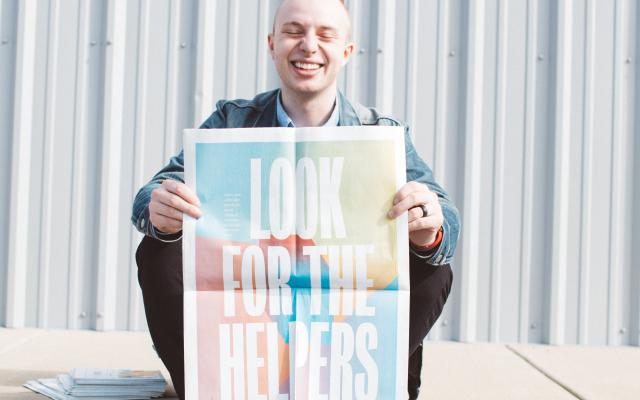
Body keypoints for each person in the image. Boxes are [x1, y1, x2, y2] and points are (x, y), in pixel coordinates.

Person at [132, 0, 460, 398]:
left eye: (325, 35)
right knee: (158, 250)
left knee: (433, 266)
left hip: (345, 321)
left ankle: (364, 386)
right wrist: (160, 209)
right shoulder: (231, 122)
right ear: (272, 44)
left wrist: (430, 227)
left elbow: (446, 221)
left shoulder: (381, 135)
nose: (308, 46)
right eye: (293, 31)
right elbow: (154, 192)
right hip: (250, 304)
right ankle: (207, 388)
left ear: (346, 51)